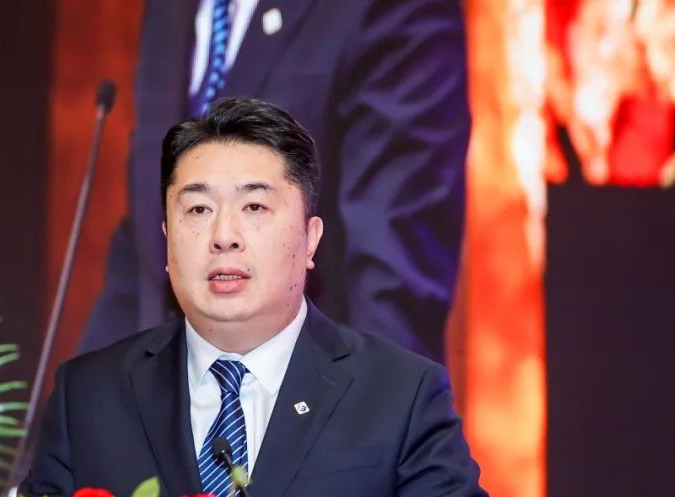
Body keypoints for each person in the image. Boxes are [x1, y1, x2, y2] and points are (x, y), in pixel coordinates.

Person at [21, 98, 516, 497]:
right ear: (166, 240)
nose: (223, 237)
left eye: (254, 207)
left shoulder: (399, 397)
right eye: (198, 210)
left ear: (310, 239)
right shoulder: (89, 398)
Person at [80, 0, 470, 363]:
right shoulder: (170, 9)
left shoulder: (390, 9)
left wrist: (370, 414)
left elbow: (391, 294)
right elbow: (144, 254)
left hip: (314, 402)